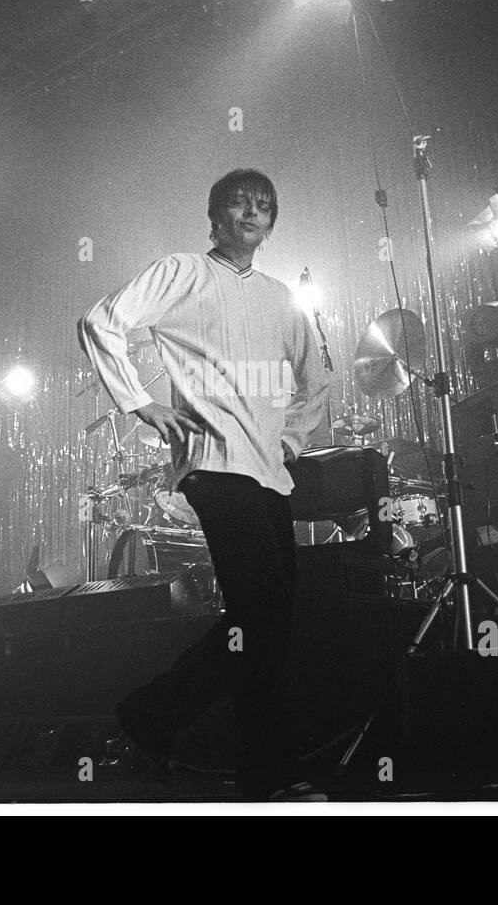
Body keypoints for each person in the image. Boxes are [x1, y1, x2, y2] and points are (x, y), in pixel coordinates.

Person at [78, 169, 330, 800]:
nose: (251, 213)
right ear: (215, 216)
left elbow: (318, 378)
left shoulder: (279, 297)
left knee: (269, 618)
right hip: (215, 466)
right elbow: (102, 322)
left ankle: (153, 716)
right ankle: (266, 774)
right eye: (239, 204)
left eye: (263, 206)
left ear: (272, 224)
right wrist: (139, 404)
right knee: (260, 614)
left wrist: (292, 442)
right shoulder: (182, 272)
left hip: (269, 475)